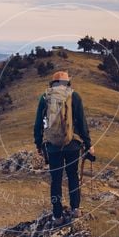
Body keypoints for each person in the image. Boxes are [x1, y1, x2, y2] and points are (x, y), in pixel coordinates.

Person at [34, 70, 94, 225]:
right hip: (72, 144)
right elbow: (82, 122)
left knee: (56, 180)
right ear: (67, 82)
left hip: (53, 146)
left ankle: (57, 215)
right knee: (73, 176)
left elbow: (38, 123)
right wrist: (88, 144)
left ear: (52, 83)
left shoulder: (45, 97)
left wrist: (38, 144)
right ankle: (75, 209)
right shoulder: (74, 96)